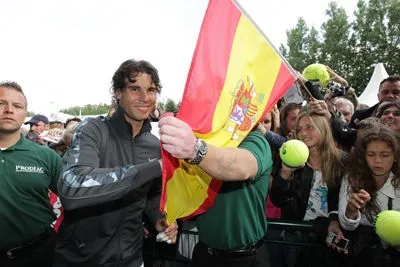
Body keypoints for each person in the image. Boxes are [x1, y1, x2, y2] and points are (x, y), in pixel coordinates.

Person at [55, 59, 177, 267]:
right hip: (81, 260)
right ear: (118, 93)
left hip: (131, 258)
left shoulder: (154, 144)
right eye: (134, 88)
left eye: (151, 90)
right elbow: (72, 187)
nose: (145, 97)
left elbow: (151, 194)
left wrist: (159, 218)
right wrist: (153, 167)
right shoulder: (93, 129)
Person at [159, 116, 272, 267]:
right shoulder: (207, 140)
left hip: (246, 259)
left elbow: (240, 168)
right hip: (205, 255)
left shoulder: (255, 141)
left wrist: (195, 149)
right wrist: (170, 216)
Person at [269, 109, 347, 267]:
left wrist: (333, 221)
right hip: (296, 238)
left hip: (329, 238)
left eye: (309, 127)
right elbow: (278, 200)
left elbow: (341, 200)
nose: (303, 133)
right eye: (299, 129)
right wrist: (285, 173)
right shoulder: (290, 158)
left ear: (323, 128)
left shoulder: (341, 162)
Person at [0, 81, 61, 267]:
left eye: (17, 106)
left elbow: (75, 200)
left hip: (36, 255)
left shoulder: (46, 156)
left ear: (24, 113)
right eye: (1, 103)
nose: (9, 110)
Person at [338, 126, 400, 266]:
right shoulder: (351, 178)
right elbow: (346, 225)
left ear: (395, 156)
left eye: (385, 155)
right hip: (361, 258)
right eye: (371, 154)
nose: (377, 161)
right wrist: (351, 210)